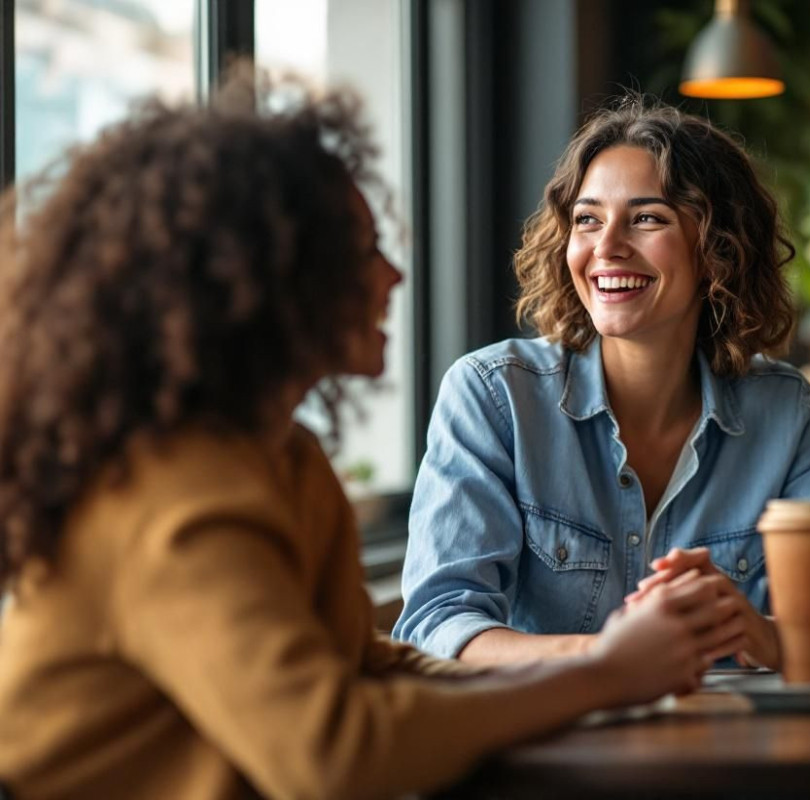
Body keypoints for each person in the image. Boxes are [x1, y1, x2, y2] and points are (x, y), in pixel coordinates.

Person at [0, 74, 741, 800]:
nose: (391, 275)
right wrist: (605, 674)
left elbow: (365, 664)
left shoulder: (283, 457)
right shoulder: (169, 495)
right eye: (358, 252)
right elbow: (333, 755)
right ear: (260, 282)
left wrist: (607, 680)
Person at [395, 97, 810, 670]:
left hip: (732, 748)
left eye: (646, 218)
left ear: (717, 251)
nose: (606, 247)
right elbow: (438, 623)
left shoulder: (791, 417)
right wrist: (619, 656)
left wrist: (761, 635)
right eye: (587, 219)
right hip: (552, 748)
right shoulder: (493, 397)